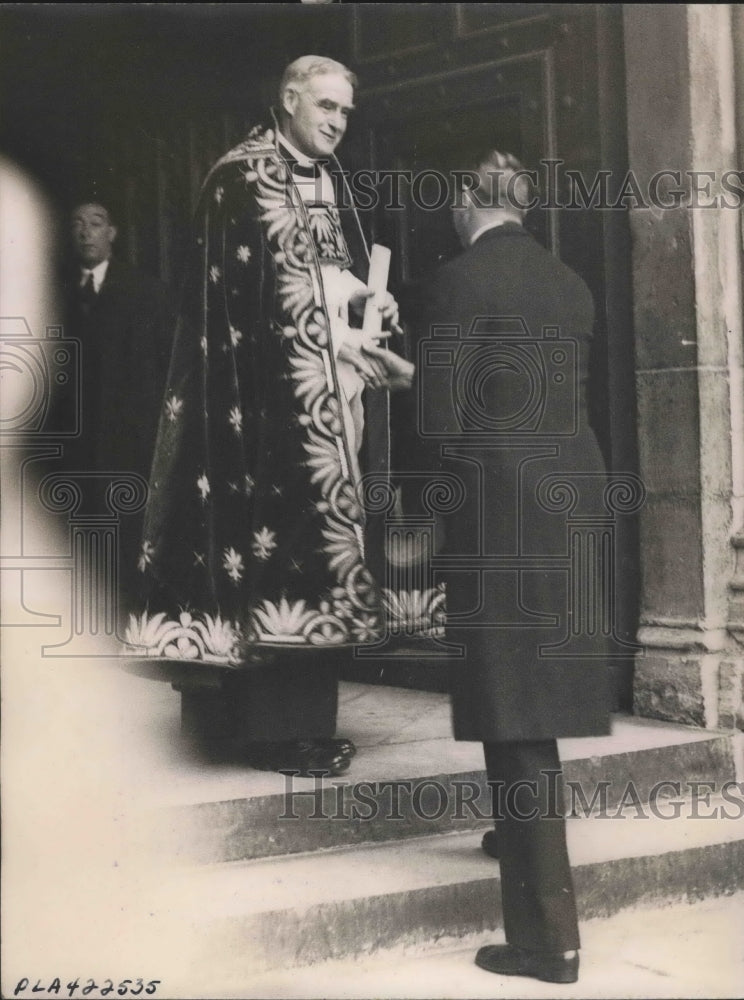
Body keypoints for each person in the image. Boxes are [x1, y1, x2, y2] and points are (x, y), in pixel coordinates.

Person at [126, 56, 415, 776]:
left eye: (346, 112)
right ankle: (274, 734)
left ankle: (284, 727)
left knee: (307, 556)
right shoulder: (240, 177)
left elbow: (321, 270)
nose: (336, 122)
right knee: (272, 554)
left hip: (324, 395)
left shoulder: (326, 178)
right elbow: (244, 302)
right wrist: (330, 329)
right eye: (325, 106)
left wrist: (363, 300)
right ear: (288, 100)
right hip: (261, 409)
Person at [409, 151, 611, 984]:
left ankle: (547, 941)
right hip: (572, 500)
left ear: (465, 202)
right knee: (532, 704)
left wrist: (399, 376)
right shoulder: (569, 282)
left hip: (502, 513)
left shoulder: (458, 279)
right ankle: (518, 843)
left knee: (515, 715)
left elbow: (440, 424)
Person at [60, 198, 175, 606]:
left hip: (128, 448)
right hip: (72, 451)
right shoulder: (53, 294)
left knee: (125, 543)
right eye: (78, 223)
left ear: (112, 233)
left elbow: (167, 373)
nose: (86, 231)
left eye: (96, 222)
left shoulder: (148, 292)